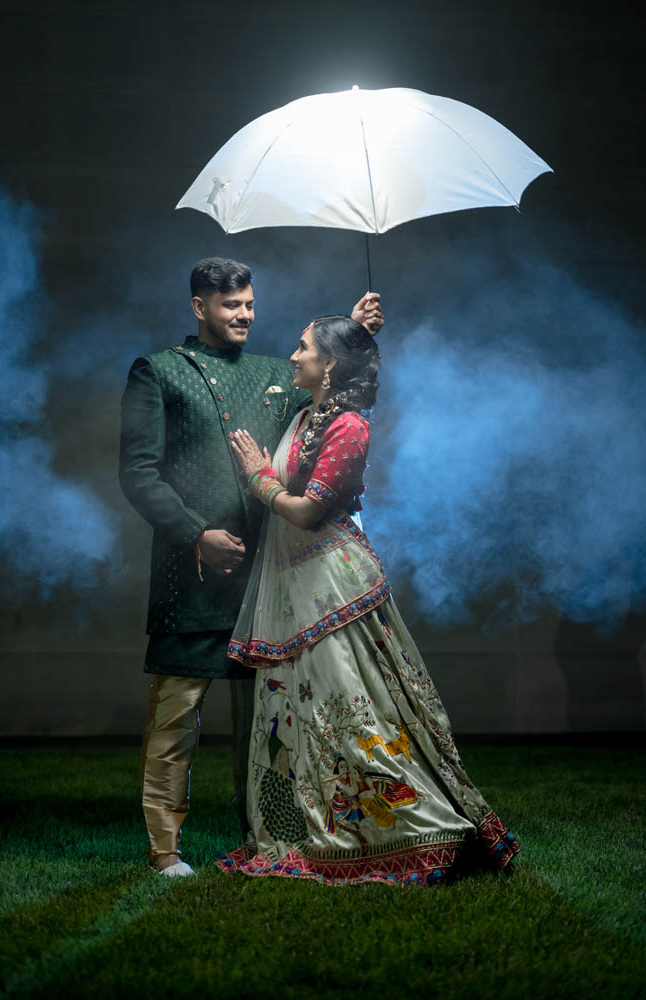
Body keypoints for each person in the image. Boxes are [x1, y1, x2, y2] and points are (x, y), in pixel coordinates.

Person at [220, 315, 520, 885]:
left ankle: (410, 832)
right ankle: (303, 831)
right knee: (295, 712)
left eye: (303, 347)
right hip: (293, 592)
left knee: (351, 711)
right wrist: (356, 323)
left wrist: (259, 478)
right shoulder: (307, 415)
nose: (292, 354)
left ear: (329, 364)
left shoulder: (350, 427)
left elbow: (308, 512)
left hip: (335, 587)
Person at [119, 258, 383, 876]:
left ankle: (266, 840)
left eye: (249, 304)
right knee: (176, 714)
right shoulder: (159, 371)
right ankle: (165, 851)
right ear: (199, 307)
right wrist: (195, 534)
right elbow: (137, 472)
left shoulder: (275, 372)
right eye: (229, 304)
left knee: (269, 721)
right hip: (193, 576)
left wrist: (359, 327)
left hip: (269, 579)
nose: (243, 315)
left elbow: (330, 382)